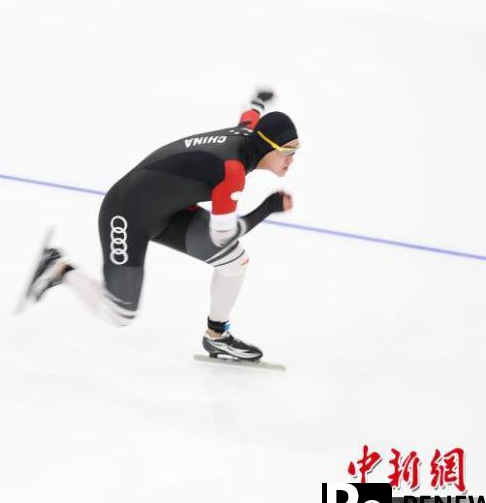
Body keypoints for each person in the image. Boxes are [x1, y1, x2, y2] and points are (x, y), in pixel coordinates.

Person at [23, 89, 299, 361]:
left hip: (169, 212)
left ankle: (217, 336)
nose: (291, 160)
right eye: (287, 151)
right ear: (265, 147)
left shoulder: (249, 135)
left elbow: (250, 116)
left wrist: (258, 101)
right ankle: (59, 267)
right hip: (126, 213)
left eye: (295, 151)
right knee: (120, 313)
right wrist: (268, 208)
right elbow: (222, 235)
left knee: (235, 263)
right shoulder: (233, 171)